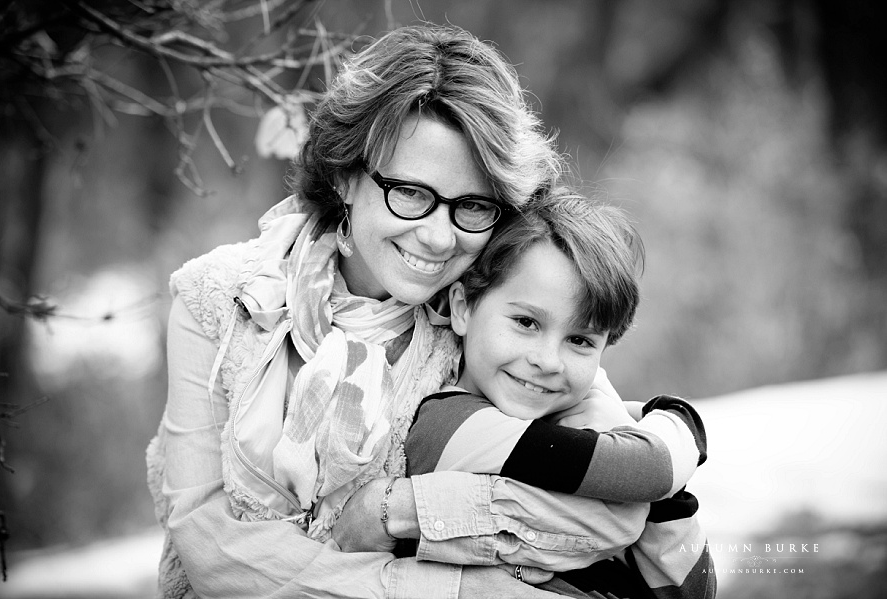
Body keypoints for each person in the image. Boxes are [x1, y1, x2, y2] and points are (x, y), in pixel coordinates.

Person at [147, 24, 654, 599]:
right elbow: (210, 551)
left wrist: (403, 509)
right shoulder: (217, 299)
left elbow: (617, 499)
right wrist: (461, 591)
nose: (438, 238)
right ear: (346, 174)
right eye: (410, 193)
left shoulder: (494, 316)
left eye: (472, 205)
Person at [405, 190, 716, 599]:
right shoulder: (449, 427)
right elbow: (652, 470)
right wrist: (677, 418)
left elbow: (695, 588)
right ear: (463, 307)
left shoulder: (573, 426)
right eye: (526, 322)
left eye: (580, 340)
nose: (549, 361)